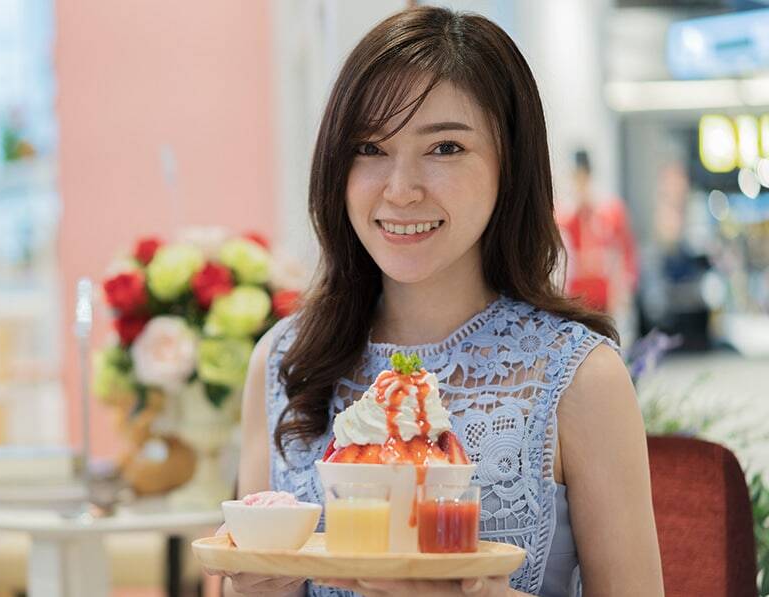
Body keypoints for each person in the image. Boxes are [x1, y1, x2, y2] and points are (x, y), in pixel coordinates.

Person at [211, 7, 662, 597]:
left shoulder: (579, 378)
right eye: (370, 147)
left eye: (445, 147)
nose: (400, 189)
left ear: (511, 165)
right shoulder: (283, 362)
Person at [558, 149, 638, 317]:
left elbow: (627, 253)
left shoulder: (610, 212)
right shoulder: (564, 216)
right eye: (575, 177)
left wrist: (624, 289)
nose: (579, 183)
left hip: (604, 298)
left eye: (582, 176)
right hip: (574, 298)